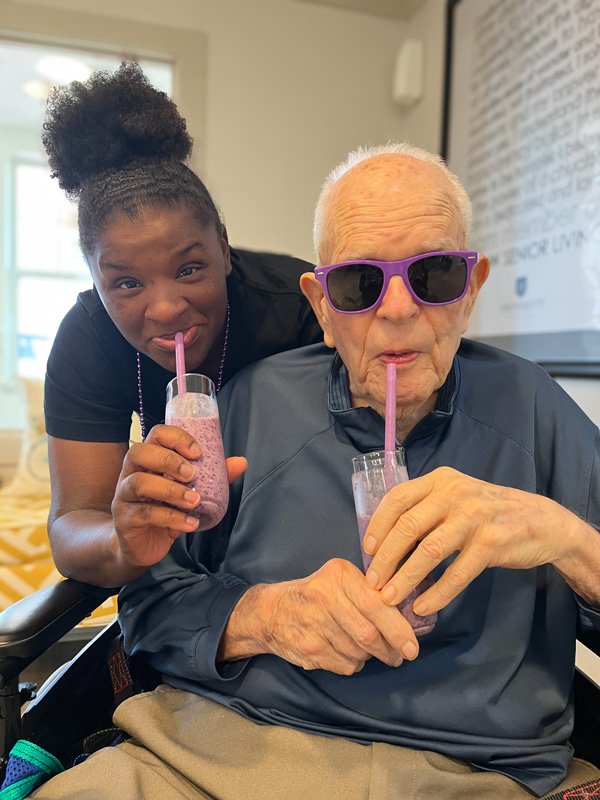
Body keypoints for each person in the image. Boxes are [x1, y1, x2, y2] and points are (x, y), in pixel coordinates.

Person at [31, 143, 600, 799]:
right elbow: (151, 605)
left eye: (434, 275)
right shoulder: (250, 403)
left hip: (461, 772)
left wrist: (566, 536)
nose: (395, 310)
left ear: (470, 290)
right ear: (322, 305)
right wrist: (258, 616)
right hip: (212, 750)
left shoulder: (535, 411)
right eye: (360, 284)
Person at [41, 62, 321, 589]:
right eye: (126, 284)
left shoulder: (300, 306)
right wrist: (122, 542)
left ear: (223, 246)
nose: (166, 309)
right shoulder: (87, 342)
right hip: (184, 589)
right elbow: (71, 525)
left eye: (190, 269)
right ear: (95, 282)